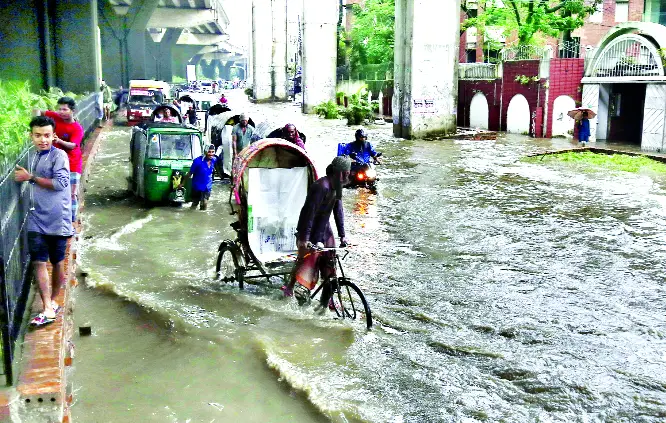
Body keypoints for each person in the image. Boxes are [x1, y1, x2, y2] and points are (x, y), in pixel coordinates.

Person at [14, 116, 74, 327]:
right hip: (36, 217)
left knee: (57, 262)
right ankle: (48, 306)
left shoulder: (60, 157)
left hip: (58, 217)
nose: (43, 140)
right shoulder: (33, 156)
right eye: (38, 136)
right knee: (38, 261)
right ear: (31, 136)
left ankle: (52, 301)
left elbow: (60, 184)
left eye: (47, 136)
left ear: (53, 135)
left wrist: (30, 178)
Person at [281, 156, 351, 307]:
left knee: (330, 263)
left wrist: (343, 235)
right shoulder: (321, 186)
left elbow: (338, 211)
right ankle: (291, 287)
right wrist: (304, 238)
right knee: (305, 261)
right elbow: (309, 213)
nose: (347, 176)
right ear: (337, 172)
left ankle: (328, 298)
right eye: (344, 173)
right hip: (310, 228)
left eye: (348, 172)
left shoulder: (337, 187)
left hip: (325, 229)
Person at [36, 97, 84, 223]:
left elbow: (73, 145)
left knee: (71, 193)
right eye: (60, 109)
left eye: (65, 109)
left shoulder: (77, 128)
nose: (61, 112)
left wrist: (58, 141)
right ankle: (56, 218)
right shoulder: (55, 117)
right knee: (54, 192)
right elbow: (37, 111)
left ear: (72, 111)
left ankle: (71, 220)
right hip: (55, 163)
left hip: (72, 164)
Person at [178, 144, 217, 211]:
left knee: (204, 203)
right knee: (195, 203)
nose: (211, 154)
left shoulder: (214, 159)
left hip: (207, 186)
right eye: (209, 152)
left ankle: (202, 219)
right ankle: (191, 215)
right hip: (197, 186)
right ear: (205, 151)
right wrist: (182, 183)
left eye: (212, 152)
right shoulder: (197, 161)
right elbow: (190, 173)